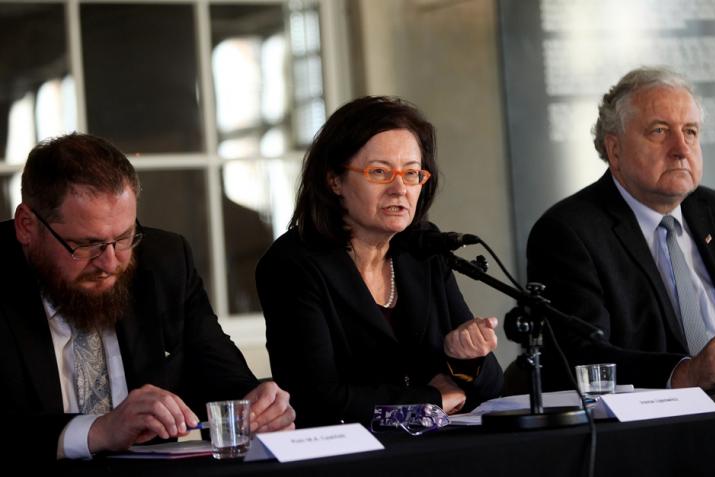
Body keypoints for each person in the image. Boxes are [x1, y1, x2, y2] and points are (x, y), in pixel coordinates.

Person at [0, 133, 295, 460]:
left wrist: (258, 405)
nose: (110, 263)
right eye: (86, 245)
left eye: (124, 238)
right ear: (27, 226)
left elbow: (221, 376)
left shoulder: (164, 261)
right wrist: (99, 430)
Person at [255, 96, 503, 427]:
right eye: (379, 172)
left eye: (412, 173)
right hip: (347, 462)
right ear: (335, 180)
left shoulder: (422, 248)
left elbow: (491, 387)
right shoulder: (294, 264)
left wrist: (465, 359)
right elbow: (317, 399)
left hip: (435, 454)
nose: (400, 188)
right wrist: (430, 401)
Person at [526, 67, 715, 391]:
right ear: (614, 150)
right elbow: (579, 357)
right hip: (647, 424)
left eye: (690, 132)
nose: (681, 149)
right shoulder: (568, 232)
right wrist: (685, 373)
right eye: (659, 131)